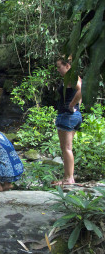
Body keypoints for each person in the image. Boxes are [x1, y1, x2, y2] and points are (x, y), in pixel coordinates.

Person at [53, 57, 82, 185]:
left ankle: (69, 179)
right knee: (66, 148)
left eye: (59, 67)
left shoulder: (71, 77)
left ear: (67, 66)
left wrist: (71, 105)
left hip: (67, 115)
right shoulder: (75, 76)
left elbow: (81, 90)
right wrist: (77, 107)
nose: (58, 69)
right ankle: (67, 178)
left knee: (66, 148)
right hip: (74, 116)